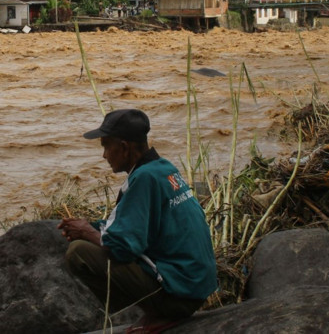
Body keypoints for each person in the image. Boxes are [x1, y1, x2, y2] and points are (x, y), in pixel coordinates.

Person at [58, 109, 217, 334]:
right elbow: (136, 224)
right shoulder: (163, 168)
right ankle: (158, 309)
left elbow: (122, 248)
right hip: (195, 288)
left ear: (124, 147)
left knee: (78, 253)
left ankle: (161, 311)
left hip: (180, 296)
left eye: (106, 146)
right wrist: (91, 226)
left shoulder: (143, 179)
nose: (104, 155)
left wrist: (85, 233)